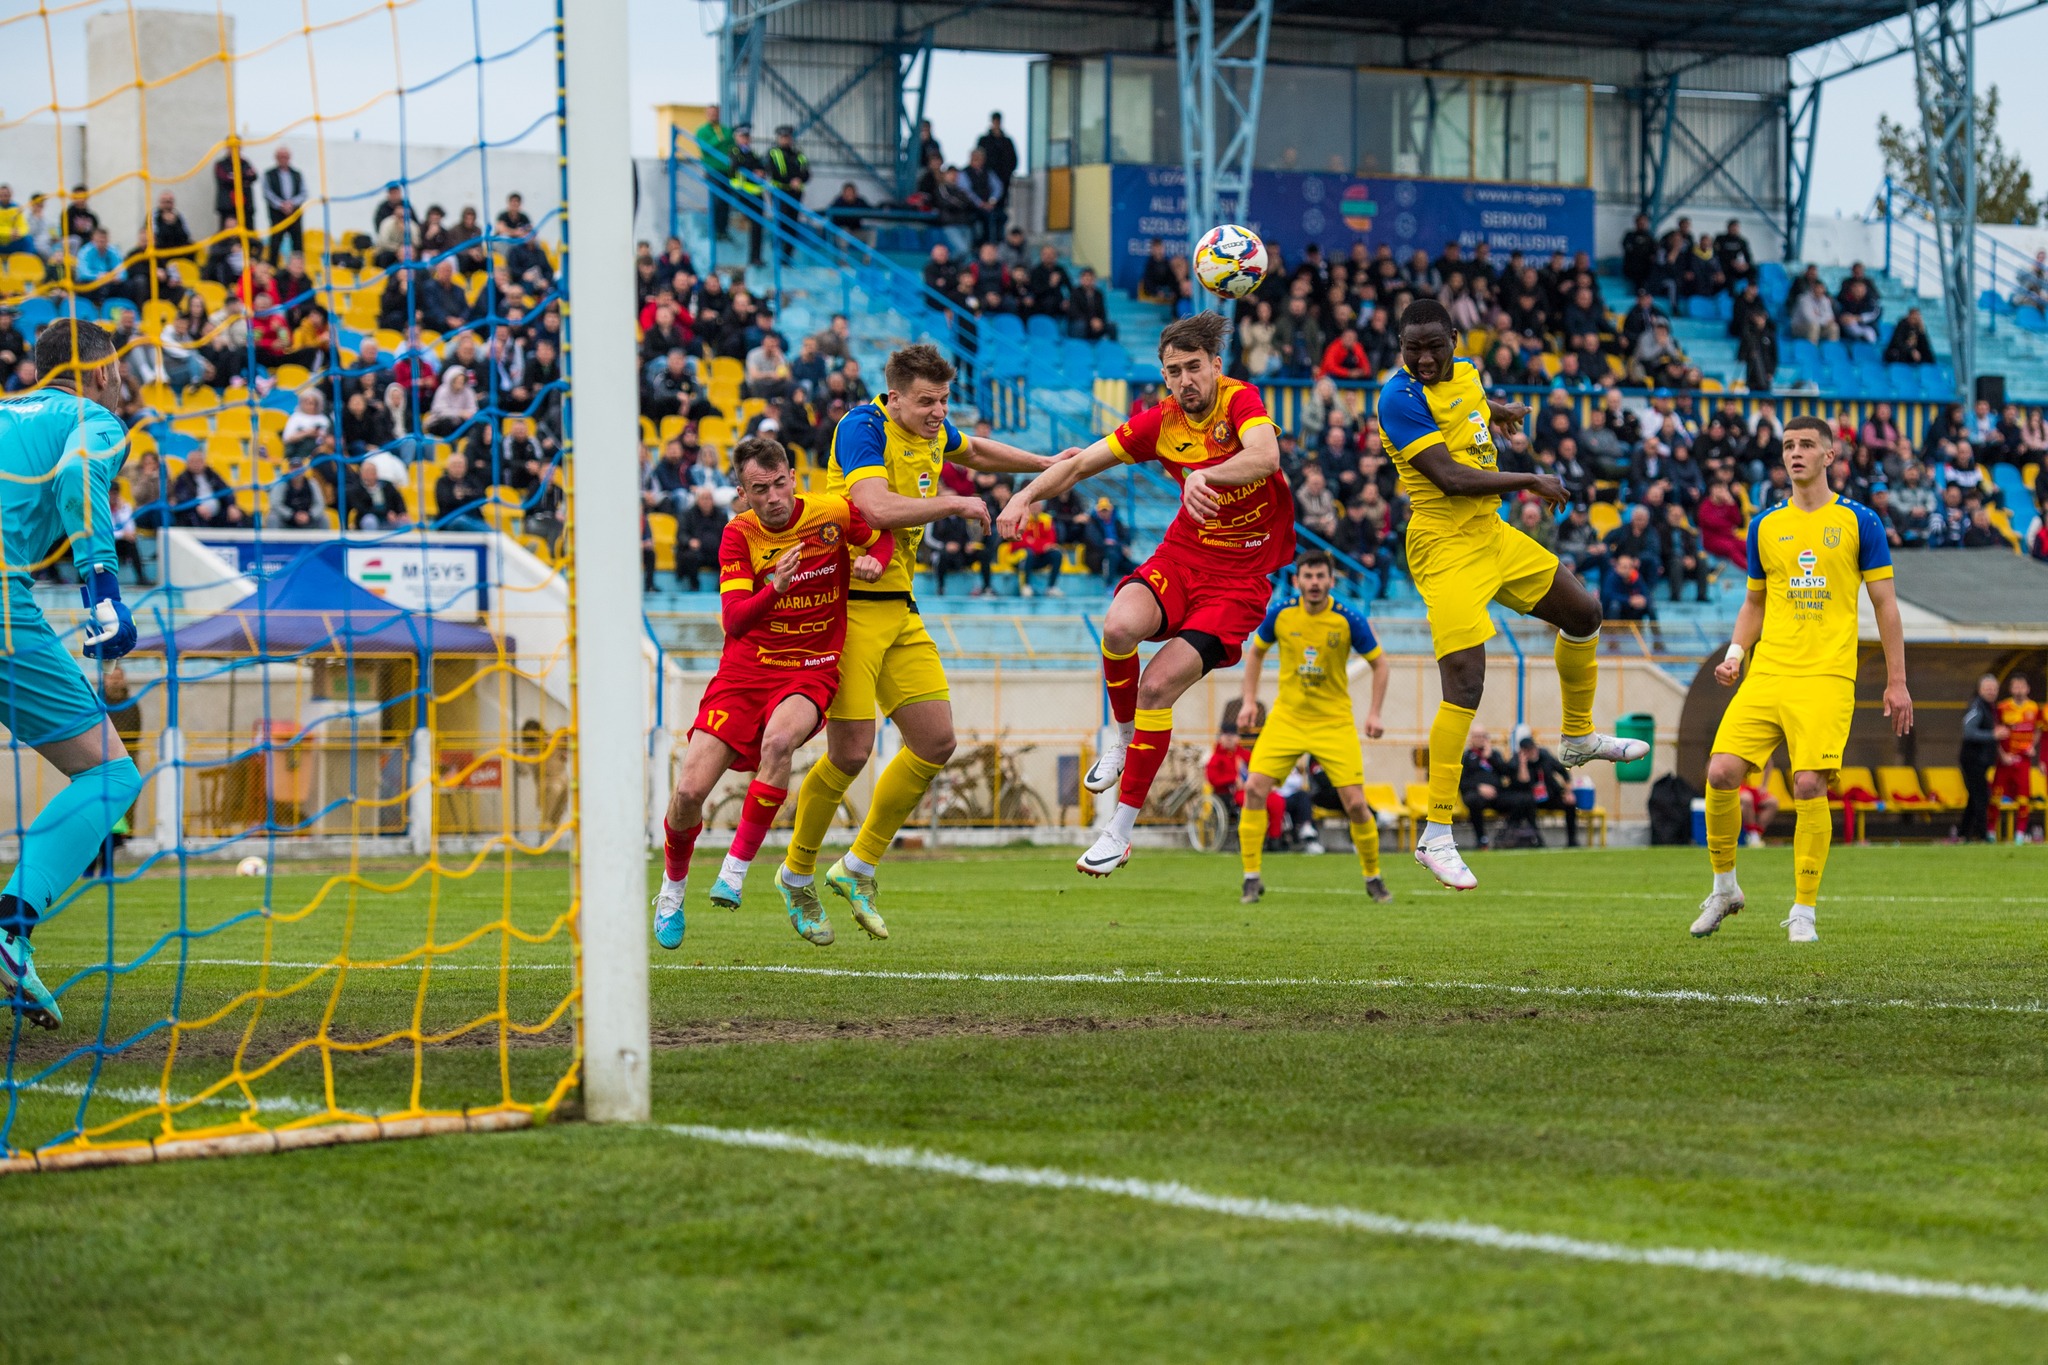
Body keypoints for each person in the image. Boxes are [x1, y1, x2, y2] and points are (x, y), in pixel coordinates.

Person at [995, 312, 1294, 879]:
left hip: (1238, 580)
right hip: (1184, 557)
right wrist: (1024, 498)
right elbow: (1081, 463)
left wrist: (1209, 474)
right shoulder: (1161, 422)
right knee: (1117, 627)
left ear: (1216, 367)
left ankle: (1119, 831)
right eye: (1172, 371)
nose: (1184, 381)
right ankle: (1124, 735)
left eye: (1193, 368)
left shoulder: (1240, 401)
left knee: (1157, 685)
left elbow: (1266, 456)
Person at [775, 344, 1051, 940]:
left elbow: (974, 449)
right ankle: (796, 875)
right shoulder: (861, 427)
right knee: (851, 753)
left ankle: (857, 866)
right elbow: (871, 506)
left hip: (899, 606)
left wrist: (1048, 462)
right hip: (845, 608)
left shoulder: (929, 428)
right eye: (927, 402)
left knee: (935, 740)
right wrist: (953, 501)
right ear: (894, 397)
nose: (938, 412)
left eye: (944, 400)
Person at [1375, 299, 1645, 891]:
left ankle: (1577, 738)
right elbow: (1451, 478)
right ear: (1399, 344)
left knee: (1584, 611)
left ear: (1454, 339)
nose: (1423, 358)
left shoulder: (1467, 372)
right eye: (1411, 348)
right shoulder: (1398, 398)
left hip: (1492, 534)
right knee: (1467, 682)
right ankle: (1437, 834)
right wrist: (1530, 478)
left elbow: (1466, 400)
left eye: (1434, 347)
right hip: (1443, 544)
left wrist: (1497, 412)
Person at [653, 436, 892, 948]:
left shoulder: (831, 513)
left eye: (780, 483)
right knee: (689, 792)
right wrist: (774, 589)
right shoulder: (738, 536)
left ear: (792, 477)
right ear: (742, 493)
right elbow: (734, 621)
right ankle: (672, 891)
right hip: (745, 671)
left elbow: (879, 535)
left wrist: (874, 556)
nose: (774, 496)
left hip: (811, 665)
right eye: (760, 489)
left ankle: (734, 873)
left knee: (780, 743)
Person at [1692, 416, 1913, 943]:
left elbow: (1885, 605)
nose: (1796, 453)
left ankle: (1804, 910)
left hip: (1827, 674)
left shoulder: (1861, 522)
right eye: (1789, 445)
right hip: (1769, 670)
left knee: (1809, 783)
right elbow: (1753, 602)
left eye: (1807, 445)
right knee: (1721, 772)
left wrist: (1896, 681)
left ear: (1830, 455)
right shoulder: (1765, 525)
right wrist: (1735, 654)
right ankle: (1725, 888)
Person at [0, 321, 146, 1030]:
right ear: (98, 373)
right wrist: (103, 590)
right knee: (113, 775)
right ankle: (9, 926)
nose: (119, 381)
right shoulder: (93, 417)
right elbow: (74, 478)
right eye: (116, 369)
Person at [1234, 551, 1393, 905]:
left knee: (1354, 803)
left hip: (1333, 722)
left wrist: (1375, 713)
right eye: (1308, 576)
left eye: (1321, 576)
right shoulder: (1280, 613)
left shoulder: (1348, 619)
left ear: (1331, 581)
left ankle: (1373, 876)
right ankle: (1250, 877)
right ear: (1297, 581)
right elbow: (1256, 653)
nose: (1315, 583)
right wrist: (1248, 700)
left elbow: (1380, 664)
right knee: (1255, 789)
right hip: (1287, 719)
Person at [1992, 674, 2041, 841]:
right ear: (2011, 689)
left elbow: (2038, 729)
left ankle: (2020, 834)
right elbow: (1995, 733)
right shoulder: (2003, 707)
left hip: (2023, 761)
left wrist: (2032, 746)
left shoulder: (2034, 708)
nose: (2019, 690)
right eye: (2016, 686)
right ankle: (1990, 832)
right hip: (2005, 760)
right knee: (1995, 797)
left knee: (2023, 798)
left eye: (2022, 686)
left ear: (2028, 688)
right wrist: (2002, 755)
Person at [1958, 673, 2001, 842]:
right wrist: (1993, 735)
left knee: (1975, 796)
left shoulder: (1990, 707)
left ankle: (1963, 833)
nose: (1991, 692)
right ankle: (1982, 834)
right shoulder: (1977, 706)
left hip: (1981, 761)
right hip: (1972, 759)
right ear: (1980, 690)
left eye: (1993, 689)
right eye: (1987, 688)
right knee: (1981, 795)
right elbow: (1969, 732)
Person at [694, 105, 737, 242]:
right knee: (716, 200)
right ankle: (715, 230)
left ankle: (723, 230)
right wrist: (718, 139)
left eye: (716, 113)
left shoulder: (726, 129)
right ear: (707, 114)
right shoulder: (702, 131)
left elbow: (732, 145)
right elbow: (705, 148)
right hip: (712, 169)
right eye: (711, 113)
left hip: (726, 170)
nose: (714, 115)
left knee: (726, 201)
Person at [673, 483, 727, 591]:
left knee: (728, 556)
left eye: (709, 498)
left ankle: (721, 588)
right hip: (696, 551)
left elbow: (727, 534)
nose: (706, 502)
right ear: (697, 500)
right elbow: (681, 534)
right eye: (703, 498)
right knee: (689, 556)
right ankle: (694, 586)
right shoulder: (687, 514)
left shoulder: (721, 515)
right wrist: (689, 541)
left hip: (715, 551)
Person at [262, 146, 307, 263]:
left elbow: (304, 193)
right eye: (281, 157)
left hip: (294, 214)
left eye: (285, 157)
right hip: (277, 214)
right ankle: (273, 269)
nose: (283, 159)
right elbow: (267, 193)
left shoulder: (297, 174)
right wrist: (281, 204)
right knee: (275, 243)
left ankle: (297, 268)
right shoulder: (269, 174)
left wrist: (292, 204)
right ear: (276, 158)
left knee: (297, 244)